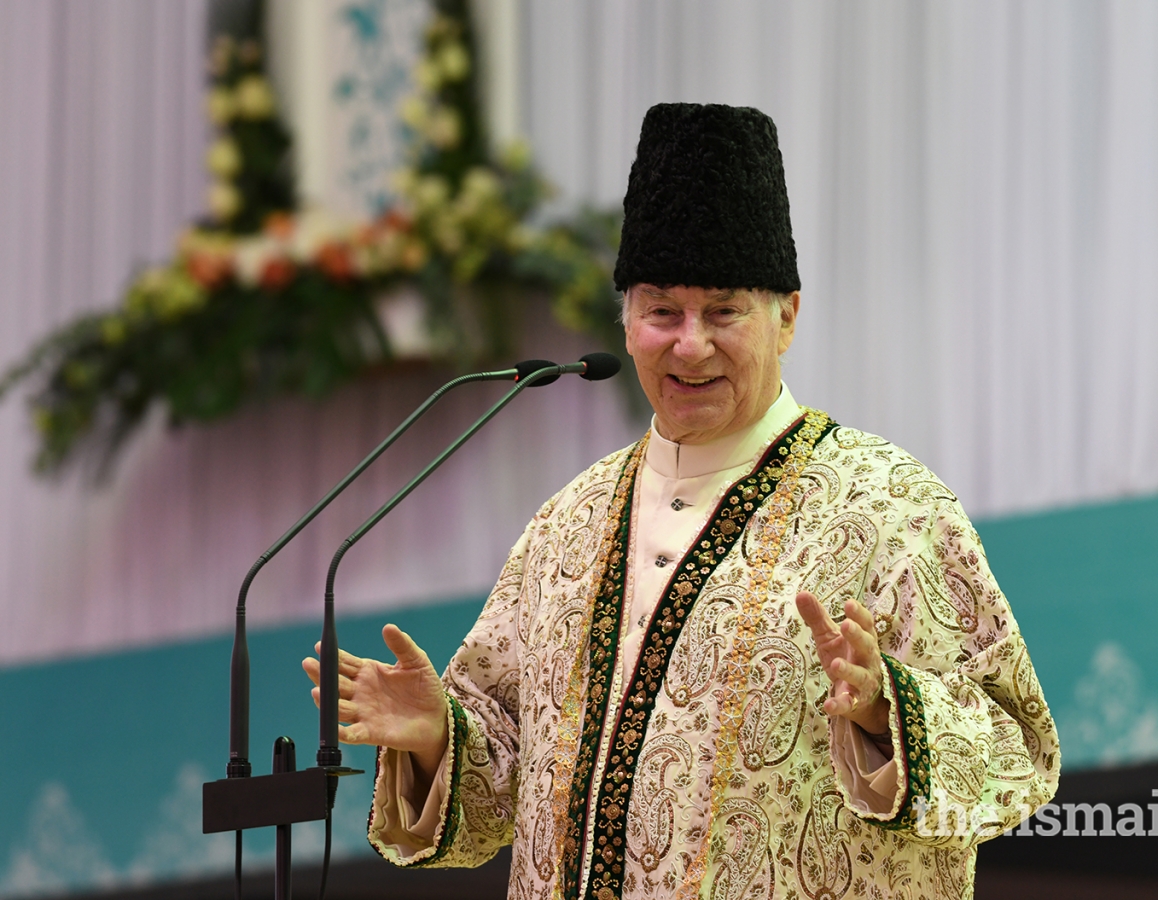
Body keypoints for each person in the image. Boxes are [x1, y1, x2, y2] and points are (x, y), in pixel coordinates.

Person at [303, 103, 1059, 900]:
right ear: (627, 322)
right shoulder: (570, 522)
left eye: (724, 311)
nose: (689, 344)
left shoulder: (890, 508)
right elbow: (504, 784)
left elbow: (1019, 757)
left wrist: (883, 713)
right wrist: (436, 740)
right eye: (662, 310)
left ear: (787, 317)